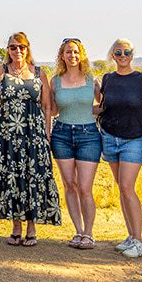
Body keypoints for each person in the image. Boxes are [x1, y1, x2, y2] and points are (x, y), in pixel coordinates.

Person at [0, 32, 61, 246]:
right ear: (8, 50)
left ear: (27, 48)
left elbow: (47, 106)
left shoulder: (39, 73)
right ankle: (15, 226)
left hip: (33, 132)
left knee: (33, 176)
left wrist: (46, 134)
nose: (17, 51)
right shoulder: (1, 71)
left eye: (21, 47)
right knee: (11, 175)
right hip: (8, 134)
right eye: (13, 47)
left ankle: (31, 226)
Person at [96, 38, 142, 258]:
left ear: (132, 54)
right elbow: (103, 106)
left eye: (126, 52)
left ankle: (139, 240)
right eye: (118, 52)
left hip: (134, 139)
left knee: (128, 188)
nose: (122, 55)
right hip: (110, 137)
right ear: (113, 55)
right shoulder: (108, 79)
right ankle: (130, 236)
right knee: (122, 188)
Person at [49, 38, 101, 250]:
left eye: (76, 52)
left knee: (85, 187)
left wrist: (88, 111)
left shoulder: (91, 79)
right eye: (68, 52)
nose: (72, 56)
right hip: (61, 134)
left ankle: (89, 233)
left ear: (82, 55)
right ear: (62, 55)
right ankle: (78, 230)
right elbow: (52, 110)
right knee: (70, 185)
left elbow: (102, 105)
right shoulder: (56, 82)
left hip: (88, 134)